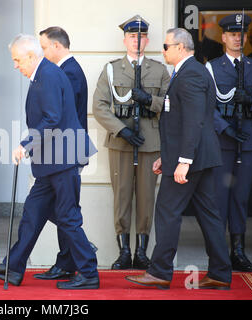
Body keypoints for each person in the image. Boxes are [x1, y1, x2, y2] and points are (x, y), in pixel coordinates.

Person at [0, 34, 99, 290]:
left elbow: (52, 118)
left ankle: (89, 273)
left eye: (17, 60)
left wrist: (25, 144)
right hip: (51, 162)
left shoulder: (47, 75)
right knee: (32, 214)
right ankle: (13, 268)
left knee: (68, 217)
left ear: (32, 56)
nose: (15, 66)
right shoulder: (43, 73)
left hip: (62, 159)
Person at [125, 28, 232, 290]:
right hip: (198, 157)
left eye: (165, 45)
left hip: (192, 159)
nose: (162, 50)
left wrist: (183, 160)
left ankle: (160, 271)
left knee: (167, 211)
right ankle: (220, 273)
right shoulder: (187, 72)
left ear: (181, 47)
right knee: (209, 215)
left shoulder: (191, 73)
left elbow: (194, 121)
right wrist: (167, 156)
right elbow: (178, 121)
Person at [92, 15, 170, 270]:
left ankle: (142, 252)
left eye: (141, 36)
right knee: (122, 196)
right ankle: (124, 251)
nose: (137, 40)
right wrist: (120, 130)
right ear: (125, 39)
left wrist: (149, 100)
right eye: (132, 36)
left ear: (147, 40)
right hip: (121, 143)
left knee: (147, 198)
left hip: (150, 142)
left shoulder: (159, 70)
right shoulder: (112, 69)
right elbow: (100, 106)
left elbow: (170, 105)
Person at [207, 13, 252, 272]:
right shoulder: (212, 67)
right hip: (223, 141)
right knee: (219, 198)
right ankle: (218, 254)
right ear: (223, 37)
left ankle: (238, 252)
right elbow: (206, 106)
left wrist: (251, 102)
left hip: (248, 140)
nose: (237, 38)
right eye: (232, 34)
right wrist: (224, 129)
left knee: (240, 198)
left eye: (241, 34)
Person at [32, 26, 91, 281]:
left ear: (57, 46)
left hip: (66, 152)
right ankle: (67, 260)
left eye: (44, 47)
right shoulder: (67, 71)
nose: (42, 53)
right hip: (64, 152)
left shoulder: (69, 73)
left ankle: (77, 257)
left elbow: (63, 118)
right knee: (62, 209)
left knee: (65, 211)